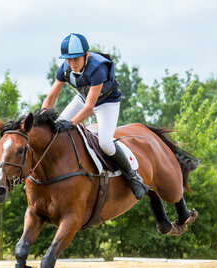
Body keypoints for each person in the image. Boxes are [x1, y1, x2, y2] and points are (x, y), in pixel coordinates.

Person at [41, 33, 148, 199]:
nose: (72, 64)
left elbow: (89, 107)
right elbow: (50, 98)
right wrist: (42, 116)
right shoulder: (65, 68)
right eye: (69, 60)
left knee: (105, 143)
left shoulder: (98, 68)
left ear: (87, 54)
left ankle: (133, 176)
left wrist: (71, 123)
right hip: (82, 99)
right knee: (55, 132)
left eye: (76, 59)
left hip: (106, 104)